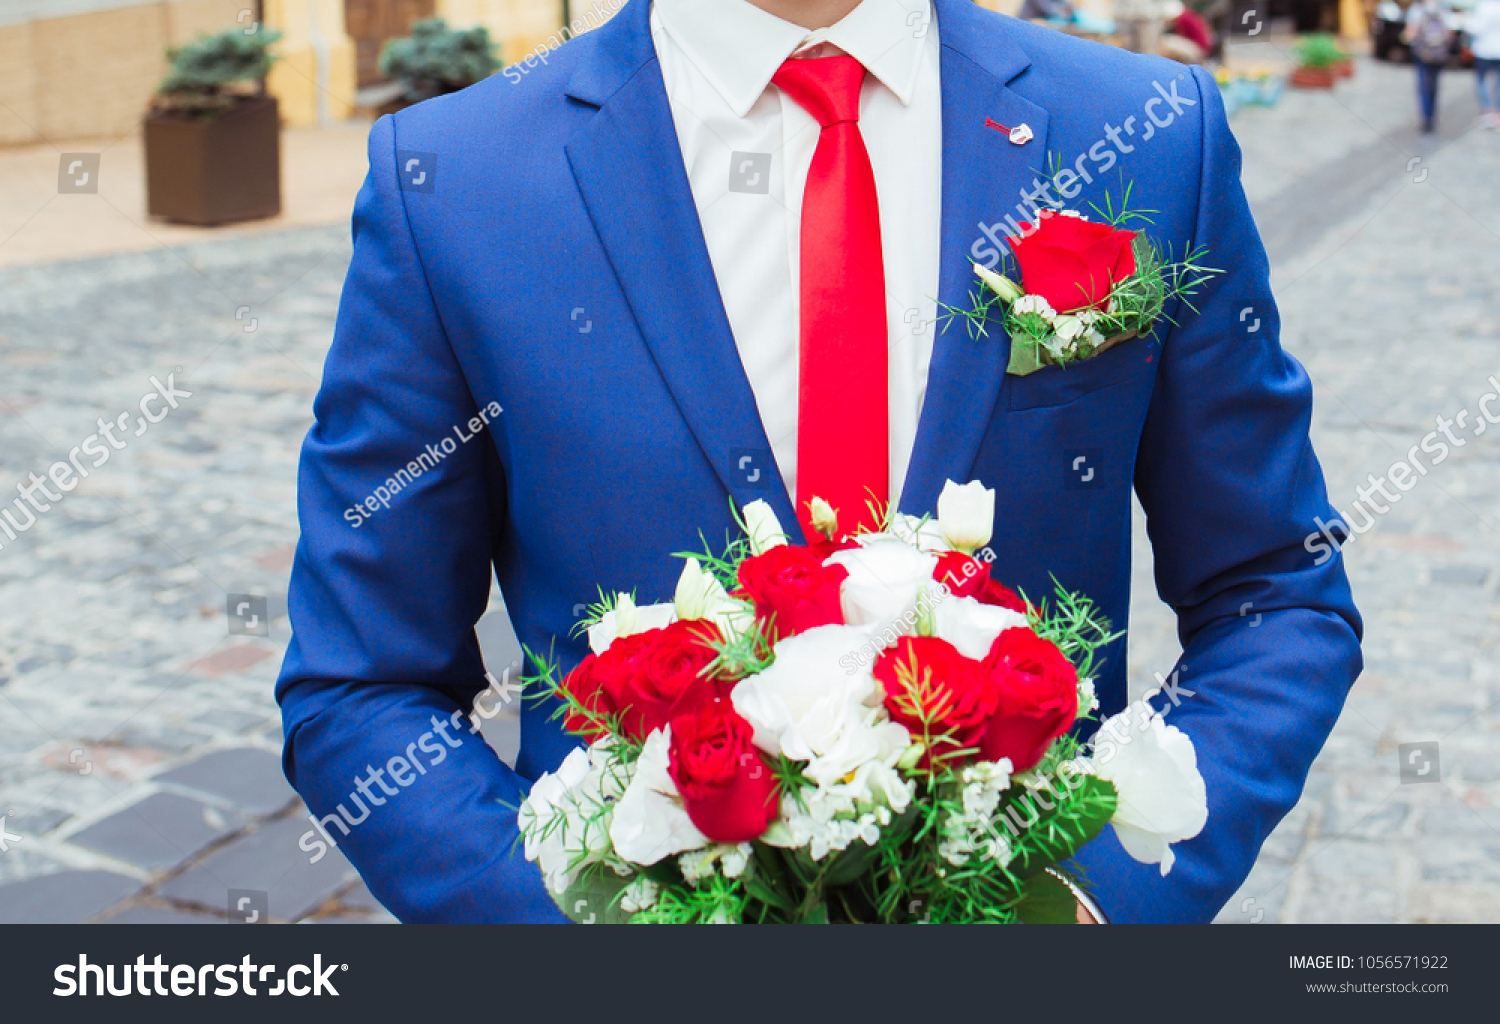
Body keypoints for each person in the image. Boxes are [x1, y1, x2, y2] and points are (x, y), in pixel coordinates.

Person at [277, 0, 1361, 923]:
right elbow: (361, 680)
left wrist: (1096, 902)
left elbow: (1276, 595)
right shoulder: (455, 181)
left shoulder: (1144, 132)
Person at [1405, 0, 1455, 132]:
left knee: (1423, 86)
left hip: (1422, 54)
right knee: (1434, 86)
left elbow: (1410, 33)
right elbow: (1450, 33)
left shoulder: (1417, 8)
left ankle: (1426, 117)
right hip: (1438, 54)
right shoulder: (1444, 8)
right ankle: (1432, 116)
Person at [1470, 0, 1500, 127]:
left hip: (1484, 50)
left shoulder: (1483, 7)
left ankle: (1488, 111)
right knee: (1498, 82)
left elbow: (1475, 28)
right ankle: (1497, 113)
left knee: (1481, 81)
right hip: (1497, 50)